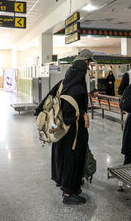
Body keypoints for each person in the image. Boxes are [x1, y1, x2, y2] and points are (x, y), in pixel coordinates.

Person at [35, 49, 93, 205]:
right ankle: (68, 194)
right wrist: (81, 115)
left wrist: (38, 111)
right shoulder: (79, 88)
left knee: (62, 157)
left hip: (59, 130)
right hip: (72, 131)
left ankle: (68, 183)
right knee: (71, 159)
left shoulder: (62, 83)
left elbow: (48, 98)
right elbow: (70, 112)